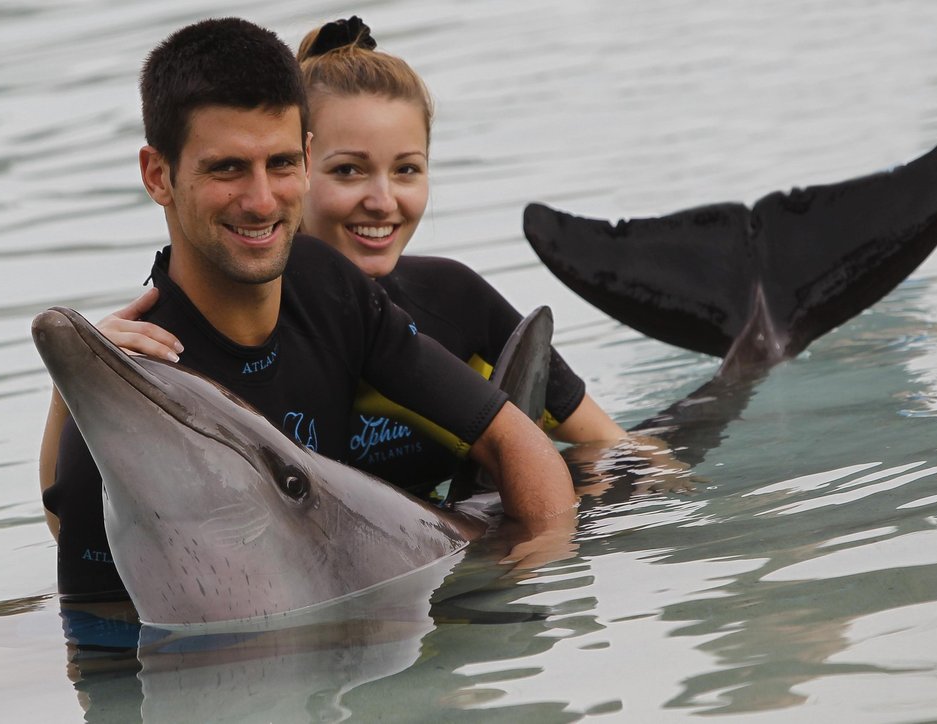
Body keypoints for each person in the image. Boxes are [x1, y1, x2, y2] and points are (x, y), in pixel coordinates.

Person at [39, 17, 575, 600]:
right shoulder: (137, 394)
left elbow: (514, 440)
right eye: (227, 168)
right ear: (158, 175)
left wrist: (528, 584)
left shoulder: (325, 284)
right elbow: (97, 636)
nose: (262, 200)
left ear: (307, 154)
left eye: (282, 163)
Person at [291, 17, 627, 494]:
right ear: (294, 170)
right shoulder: (250, 332)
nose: (383, 200)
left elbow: (616, 448)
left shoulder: (452, 299)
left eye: (407, 169)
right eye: (348, 170)